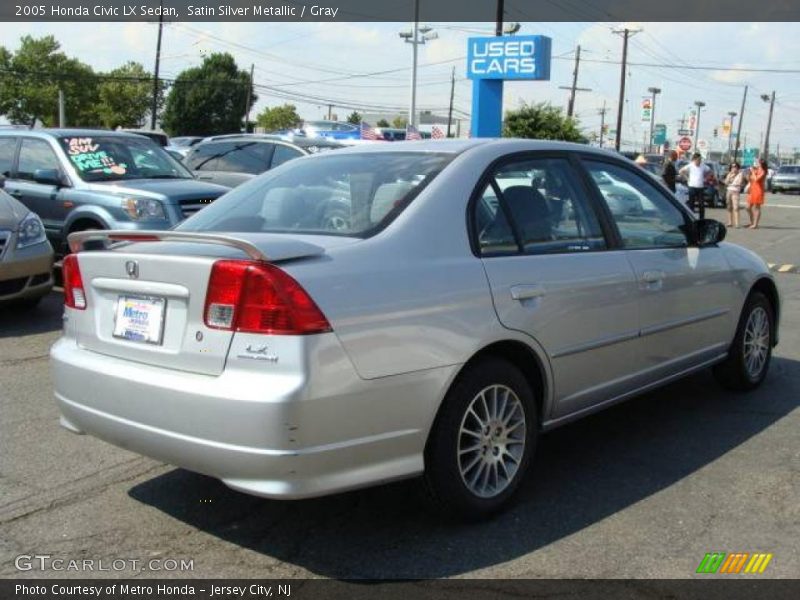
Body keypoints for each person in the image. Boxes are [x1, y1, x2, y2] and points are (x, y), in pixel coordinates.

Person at [679, 152, 711, 219]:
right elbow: (681, 171)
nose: (699, 161)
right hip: (692, 187)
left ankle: (701, 218)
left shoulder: (703, 166)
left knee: (701, 205)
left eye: (700, 160)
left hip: (700, 187)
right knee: (691, 204)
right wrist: (687, 178)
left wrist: (706, 178)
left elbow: (710, 171)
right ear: (694, 159)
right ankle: (691, 218)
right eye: (698, 160)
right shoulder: (690, 165)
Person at [747, 158, 767, 229]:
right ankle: (752, 221)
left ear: (760, 163)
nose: (755, 163)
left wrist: (752, 172)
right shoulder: (755, 170)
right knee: (748, 207)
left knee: (756, 207)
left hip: (758, 190)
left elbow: (756, 179)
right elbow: (750, 179)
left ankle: (755, 224)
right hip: (752, 189)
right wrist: (749, 173)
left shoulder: (763, 171)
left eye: (757, 162)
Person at [724, 162, 744, 228]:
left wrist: (732, 181)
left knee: (736, 207)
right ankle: (730, 222)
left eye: (735, 166)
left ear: (738, 167)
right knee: (729, 207)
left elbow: (739, 182)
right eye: (732, 167)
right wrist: (730, 176)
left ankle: (737, 223)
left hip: (735, 191)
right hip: (729, 190)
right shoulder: (729, 174)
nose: (734, 168)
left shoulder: (740, 174)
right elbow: (726, 182)